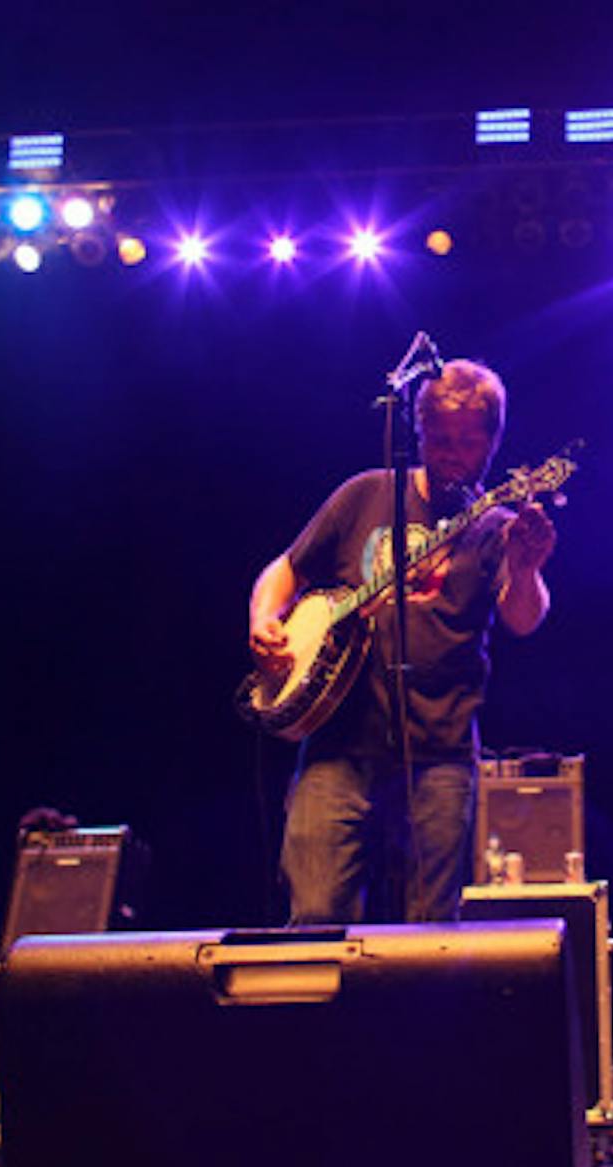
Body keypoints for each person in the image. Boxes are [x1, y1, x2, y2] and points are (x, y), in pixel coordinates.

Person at [247, 359, 555, 925]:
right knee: (314, 919)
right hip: (337, 749)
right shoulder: (366, 495)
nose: (451, 454)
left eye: (467, 442)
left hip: (440, 757)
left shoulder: (495, 529)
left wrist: (526, 567)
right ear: (418, 432)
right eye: (439, 439)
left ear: (492, 443)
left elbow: (523, 617)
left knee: (427, 935)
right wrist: (266, 617)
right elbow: (287, 568)